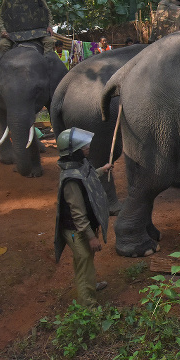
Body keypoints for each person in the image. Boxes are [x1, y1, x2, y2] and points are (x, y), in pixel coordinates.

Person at [54, 127, 112, 307]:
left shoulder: (79, 164)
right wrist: (91, 237)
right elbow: (78, 214)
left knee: (87, 260)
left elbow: (89, 178)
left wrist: (102, 170)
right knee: (84, 262)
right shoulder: (71, 179)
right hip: (76, 230)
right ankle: (88, 305)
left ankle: (90, 286)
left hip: (84, 225)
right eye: (84, 146)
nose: (88, 147)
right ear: (74, 150)